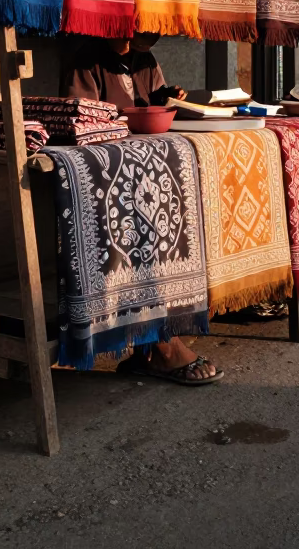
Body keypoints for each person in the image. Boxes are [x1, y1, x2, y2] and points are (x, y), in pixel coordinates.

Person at [64, 33, 222, 386]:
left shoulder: (146, 61)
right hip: (107, 170)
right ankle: (159, 342)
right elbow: (82, 119)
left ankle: (157, 338)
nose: (153, 36)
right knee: (139, 227)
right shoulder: (87, 59)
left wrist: (166, 99)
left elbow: (155, 103)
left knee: (181, 210)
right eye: (145, 28)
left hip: (147, 162)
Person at [65, 33, 185, 111]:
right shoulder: (88, 59)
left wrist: (167, 96)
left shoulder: (145, 58)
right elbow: (82, 112)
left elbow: (151, 99)